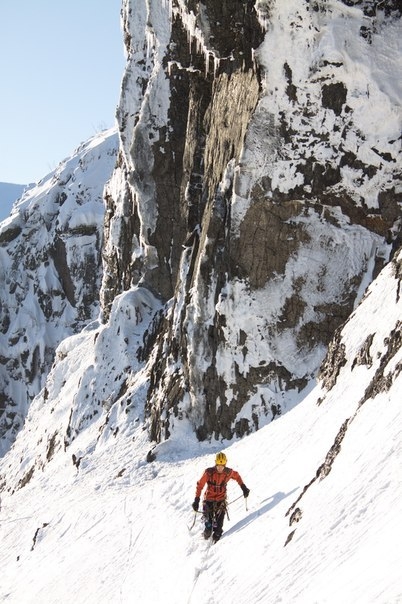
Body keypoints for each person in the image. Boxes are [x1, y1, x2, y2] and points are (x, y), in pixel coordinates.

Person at [192, 452, 250, 543]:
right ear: (216, 463)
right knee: (208, 529)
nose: (220, 468)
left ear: (225, 464)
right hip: (208, 501)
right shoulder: (209, 473)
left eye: (222, 466)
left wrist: (243, 487)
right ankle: (205, 538)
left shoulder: (228, 472)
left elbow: (237, 476)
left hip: (221, 502)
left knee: (218, 530)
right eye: (218, 465)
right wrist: (196, 500)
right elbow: (200, 485)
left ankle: (216, 548)